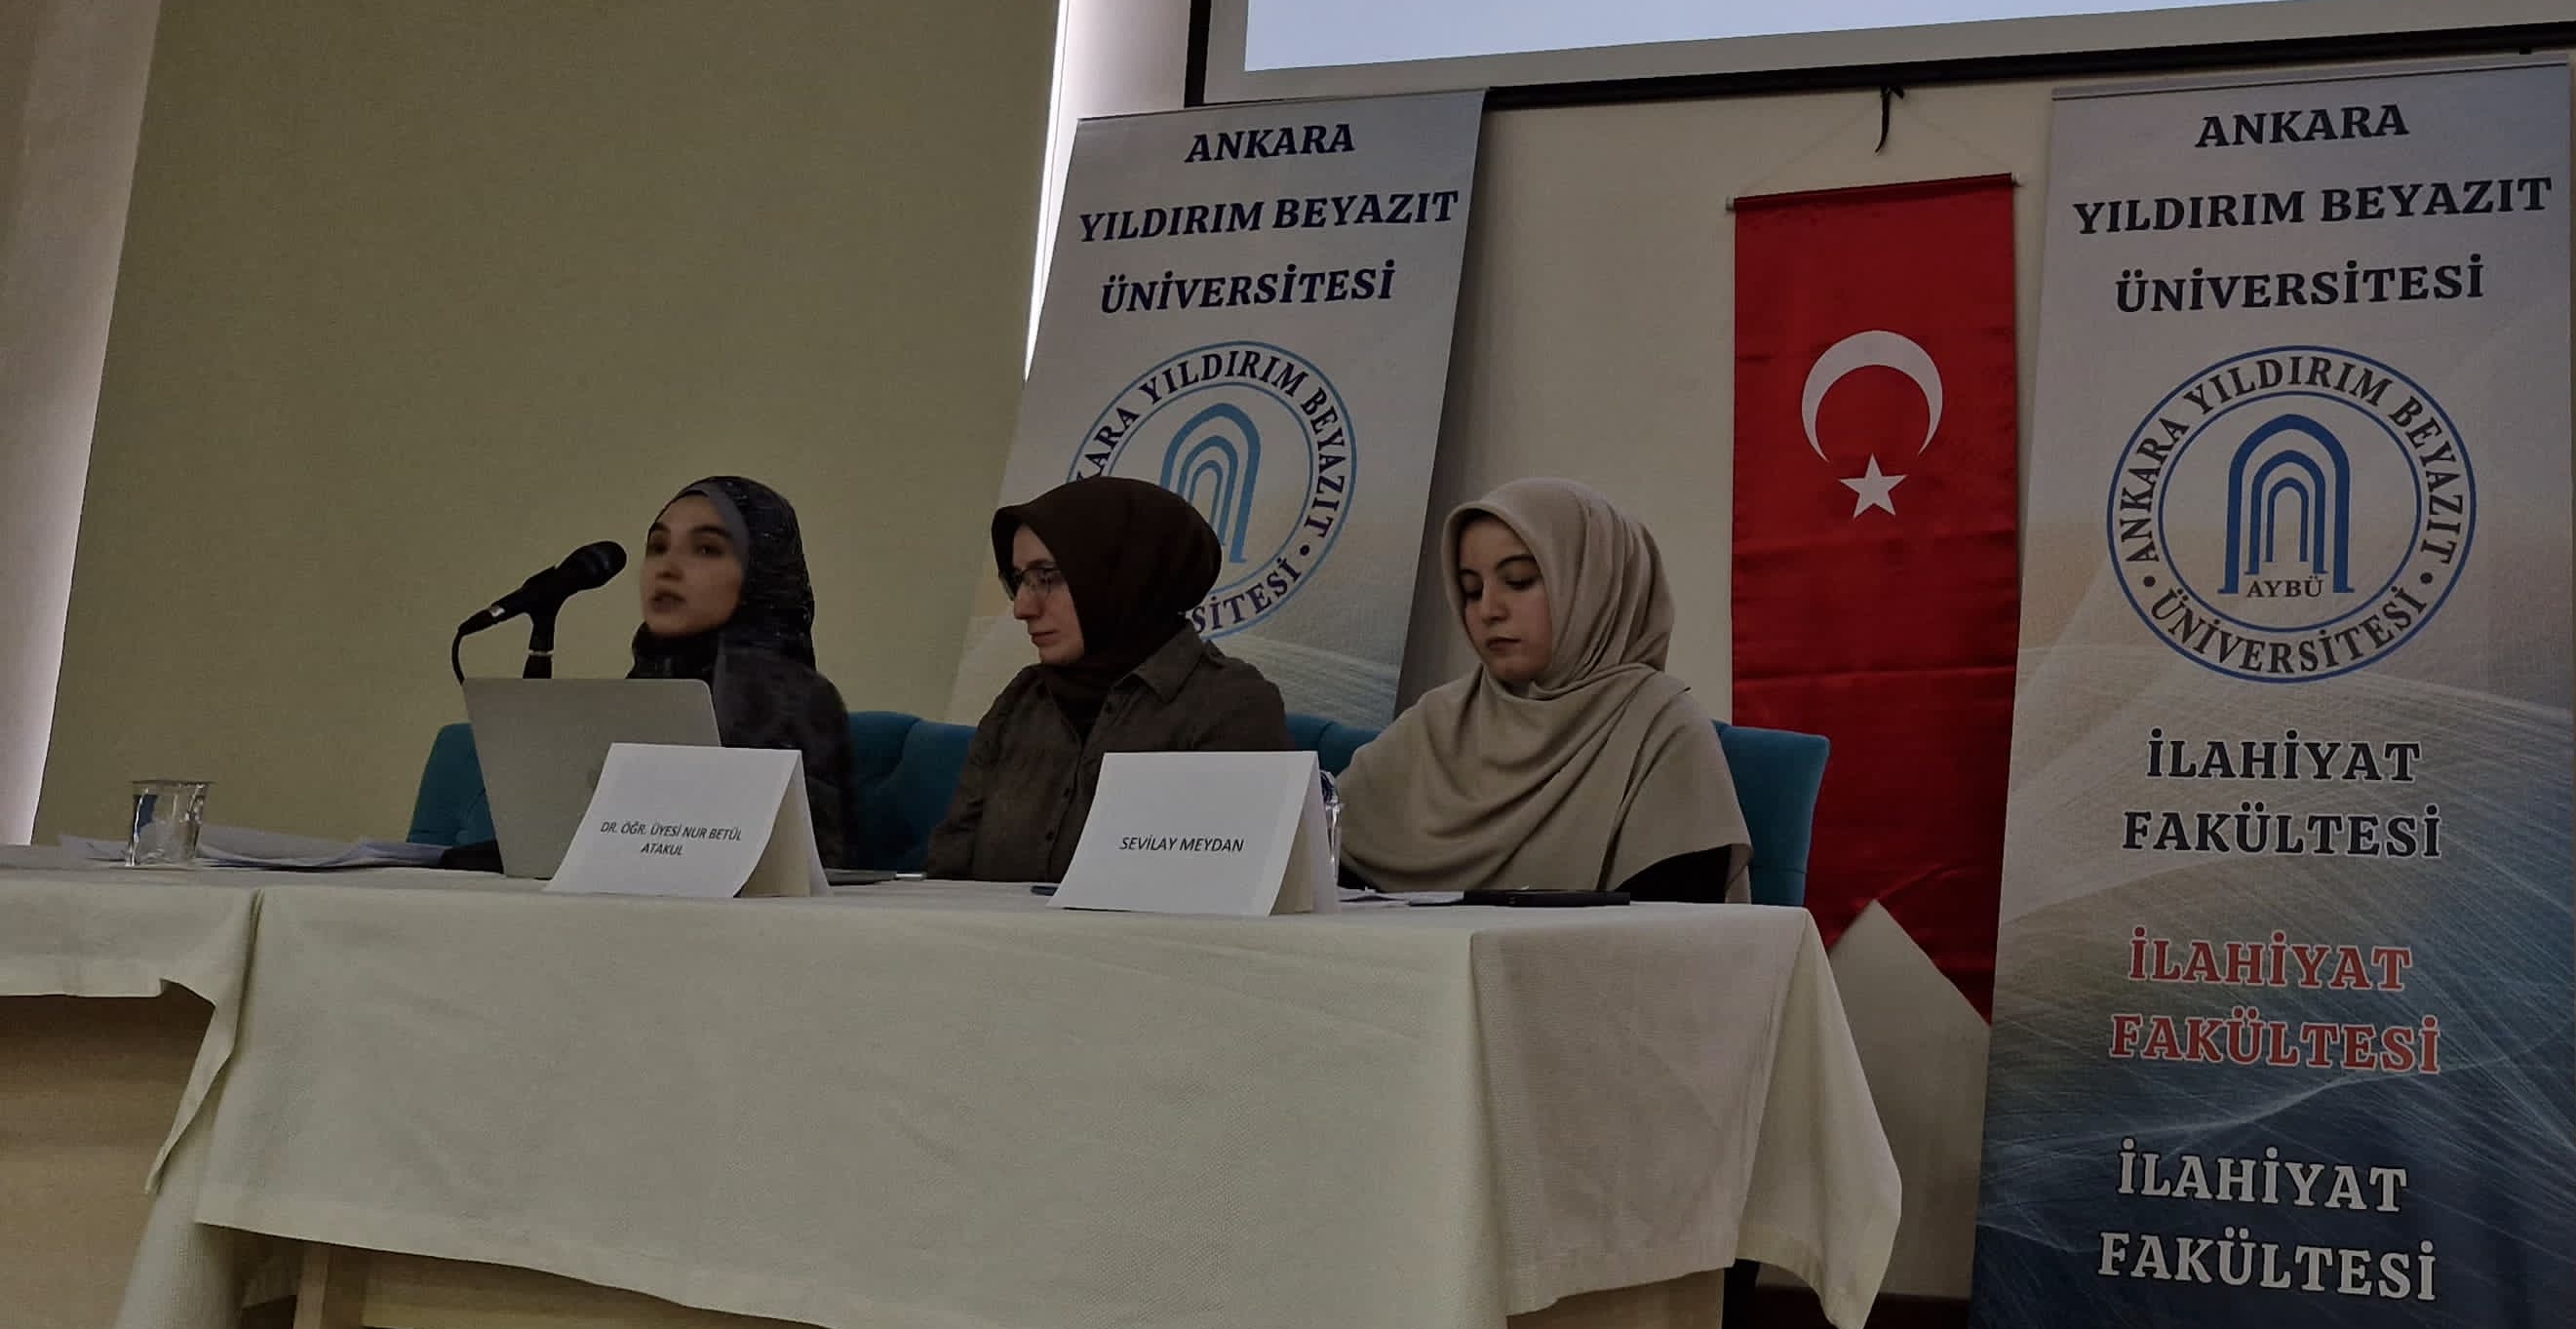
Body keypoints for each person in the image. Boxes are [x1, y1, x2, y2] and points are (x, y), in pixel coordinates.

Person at [1337, 478, 1750, 900]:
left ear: (1593, 586)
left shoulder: (1660, 728)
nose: (1488, 610)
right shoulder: (1436, 722)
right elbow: (1318, 856)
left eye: (1519, 581)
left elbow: (1675, 926)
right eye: (1471, 590)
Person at [925, 476, 1291, 881]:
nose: (1023, 607)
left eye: (1047, 576)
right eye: (1019, 580)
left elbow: (1221, 886)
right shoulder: (1022, 702)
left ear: (1127, 574)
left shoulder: (1229, 705)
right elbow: (947, 876)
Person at [628, 475, 856, 868]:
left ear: (759, 570)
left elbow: (807, 865)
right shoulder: (644, 685)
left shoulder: (796, 701)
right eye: (658, 547)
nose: (667, 568)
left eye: (706, 549)